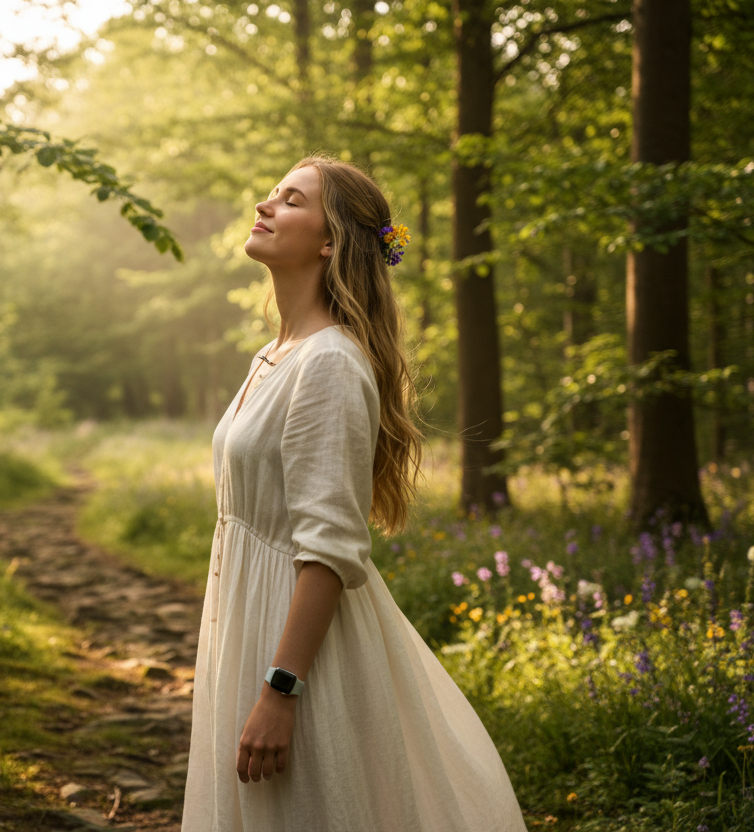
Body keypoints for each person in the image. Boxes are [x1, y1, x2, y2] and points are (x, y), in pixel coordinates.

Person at [180, 156, 529, 832]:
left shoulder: (331, 364)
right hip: (250, 623)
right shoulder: (276, 353)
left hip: (300, 646)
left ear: (330, 240)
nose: (265, 204)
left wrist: (281, 690)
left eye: (290, 199)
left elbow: (329, 547)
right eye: (272, 192)